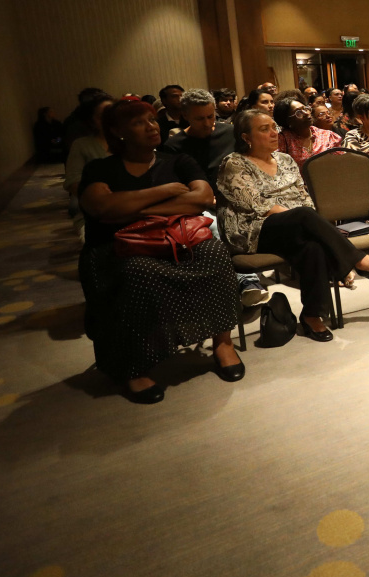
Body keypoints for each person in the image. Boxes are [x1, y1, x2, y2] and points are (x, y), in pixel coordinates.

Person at [77, 98, 242, 404]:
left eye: (152, 120)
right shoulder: (100, 168)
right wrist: (165, 192)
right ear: (118, 132)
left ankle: (223, 342)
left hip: (175, 240)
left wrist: (131, 207)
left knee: (215, 253)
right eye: (138, 122)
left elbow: (202, 199)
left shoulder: (177, 161)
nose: (151, 127)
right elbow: (101, 207)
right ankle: (135, 365)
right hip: (119, 247)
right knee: (138, 271)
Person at [217, 110, 369, 341]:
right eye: (264, 129)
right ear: (245, 137)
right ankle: (358, 260)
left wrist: (304, 220)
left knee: (313, 247)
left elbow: (304, 198)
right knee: (303, 216)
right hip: (253, 231)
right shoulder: (234, 163)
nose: (274, 133)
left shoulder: (285, 160)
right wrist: (300, 218)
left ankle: (312, 316)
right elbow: (257, 205)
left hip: (293, 227)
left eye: (274, 127)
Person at [159, 88, 235, 188]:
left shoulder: (231, 132)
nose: (207, 124)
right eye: (200, 119)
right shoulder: (174, 145)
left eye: (210, 116)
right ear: (185, 115)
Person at [64, 93, 115, 241]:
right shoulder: (82, 145)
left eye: (112, 113)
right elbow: (73, 182)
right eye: (102, 116)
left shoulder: (130, 140)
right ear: (92, 121)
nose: (109, 119)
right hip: (97, 212)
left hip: (134, 207)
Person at [276, 96, 342, 168]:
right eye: (299, 112)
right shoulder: (283, 140)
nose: (306, 113)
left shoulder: (328, 135)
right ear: (288, 120)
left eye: (305, 109)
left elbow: (341, 163)